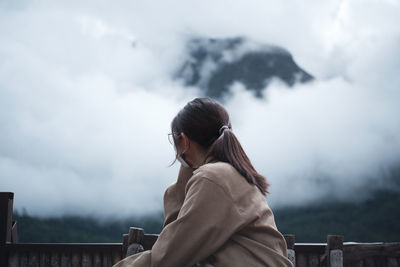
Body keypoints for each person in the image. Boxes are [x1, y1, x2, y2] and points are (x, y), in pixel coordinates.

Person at [113, 97, 293, 267]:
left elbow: (170, 255)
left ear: (184, 140)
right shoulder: (230, 173)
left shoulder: (212, 177)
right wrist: (187, 171)